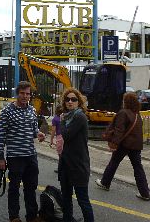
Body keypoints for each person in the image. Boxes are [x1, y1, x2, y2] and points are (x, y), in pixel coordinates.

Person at [0, 81, 45, 222]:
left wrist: (38, 134)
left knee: (31, 187)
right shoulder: (7, 111)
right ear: (17, 93)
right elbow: (0, 136)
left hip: (31, 156)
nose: (25, 96)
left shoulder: (32, 110)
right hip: (15, 157)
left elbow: (33, 130)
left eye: (28, 94)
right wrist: (0, 158)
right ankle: (14, 216)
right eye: (22, 93)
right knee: (14, 188)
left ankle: (31, 215)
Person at [95, 92, 150, 201]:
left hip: (124, 144)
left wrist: (114, 144)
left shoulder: (123, 113)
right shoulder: (137, 115)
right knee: (138, 168)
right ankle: (145, 193)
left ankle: (105, 183)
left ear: (126, 102)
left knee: (114, 163)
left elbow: (119, 130)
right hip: (136, 145)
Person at [58, 87, 94, 222]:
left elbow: (66, 135)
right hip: (66, 165)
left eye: (73, 99)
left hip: (78, 166)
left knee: (82, 200)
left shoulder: (79, 117)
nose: (70, 102)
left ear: (79, 102)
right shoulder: (68, 117)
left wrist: (61, 121)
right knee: (66, 199)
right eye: (67, 99)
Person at [50, 105, 63, 173]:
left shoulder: (55, 119)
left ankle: (60, 168)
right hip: (65, 136)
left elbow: (53, 131)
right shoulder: (64, 117)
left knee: (60, 154)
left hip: (59, 137)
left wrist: (51, 140)